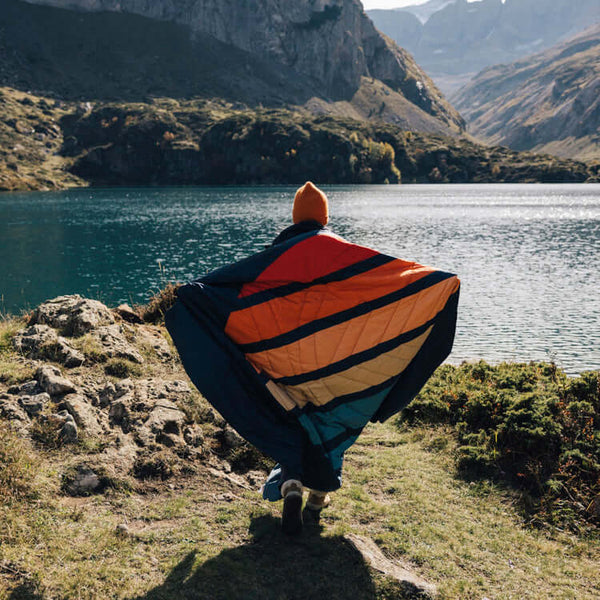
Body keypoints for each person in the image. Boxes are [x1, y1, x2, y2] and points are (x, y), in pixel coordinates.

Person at [166, 182, 460, 536]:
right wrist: (441, 287)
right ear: (325, 217)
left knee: (294, 423)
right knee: (333, 423)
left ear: (295, 217)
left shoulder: (275, 258)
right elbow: (386, 279)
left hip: (285, 369)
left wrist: (190, 298)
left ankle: (291, 485)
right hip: (335, 369)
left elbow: (230, 288)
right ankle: (317, 501)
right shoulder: (343, 253)